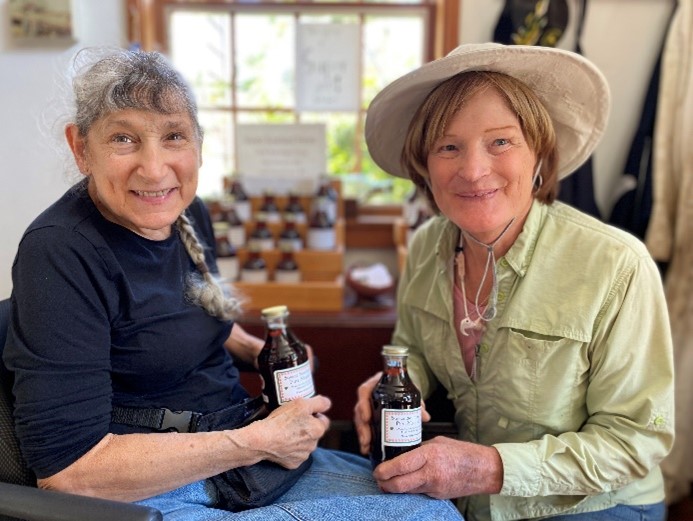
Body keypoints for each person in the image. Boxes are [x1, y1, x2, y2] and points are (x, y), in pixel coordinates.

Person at [2, 47, 464, 521]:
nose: (155, 168)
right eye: (124, 139)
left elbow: (174, 324)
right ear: (81, 148)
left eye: (174, 136)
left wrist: (263, 350)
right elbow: (68, 474)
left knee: (427, 502)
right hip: (155, 491)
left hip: (239, 461)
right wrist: (255, 441)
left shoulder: (184, 211)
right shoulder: (60, 252)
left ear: (199, 145)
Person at [354, 42, 675, 521]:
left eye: (500, 141)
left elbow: (636, 440)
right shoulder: (426, 247)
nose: (474, 170)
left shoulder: (616, 264)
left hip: (598, 505)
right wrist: (400, 381)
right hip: (470, 500)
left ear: (539, 153)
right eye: (448, 146)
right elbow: (413, 346)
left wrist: (488, 468)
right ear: (424, 165)